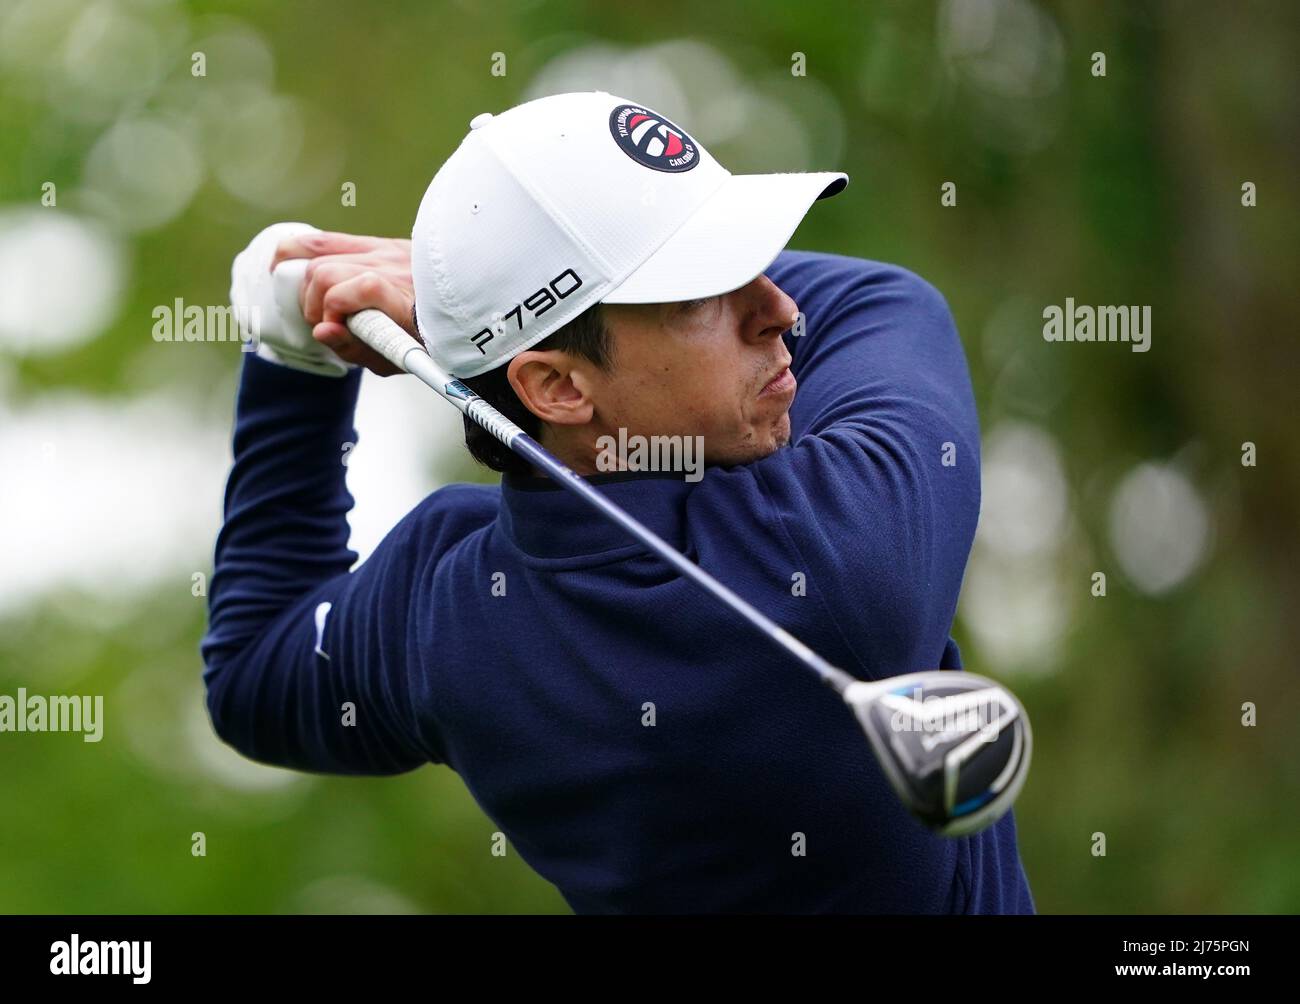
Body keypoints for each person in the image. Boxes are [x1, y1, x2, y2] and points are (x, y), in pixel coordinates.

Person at [201, 91, 1034, 913]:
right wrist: (439, 303)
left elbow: (249, 675)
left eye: (751, 262)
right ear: (557, 386)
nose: (782, 308)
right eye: (702, 292)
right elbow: (887, 302)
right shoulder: (838, 551)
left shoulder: (446, 616)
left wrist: (295, 360)